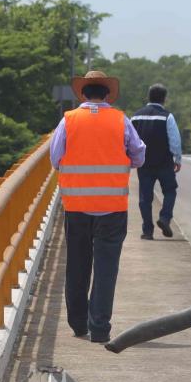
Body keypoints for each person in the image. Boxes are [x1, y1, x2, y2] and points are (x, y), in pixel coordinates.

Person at [50, 71, 146, 343]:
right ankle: (100, 328)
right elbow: (138, 154)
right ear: (107, 95)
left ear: (82, 95)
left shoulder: (68, 121)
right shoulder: (120, 120)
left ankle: (79, 325)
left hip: (76, 206)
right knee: (106, 269)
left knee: (77, 265)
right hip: (112, 207)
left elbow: (55, 158)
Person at [131, 83, 183, 239]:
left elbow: (130, 140)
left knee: (145, 198)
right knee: (169, 191)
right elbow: (175, 140)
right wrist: (177, 158)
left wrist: (132, 159)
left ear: (148, 97)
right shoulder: (167, 116)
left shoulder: (136, 116)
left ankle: (147, 231)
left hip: (144, 164)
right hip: (164, 162)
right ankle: (165, 218)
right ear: (164, 99)